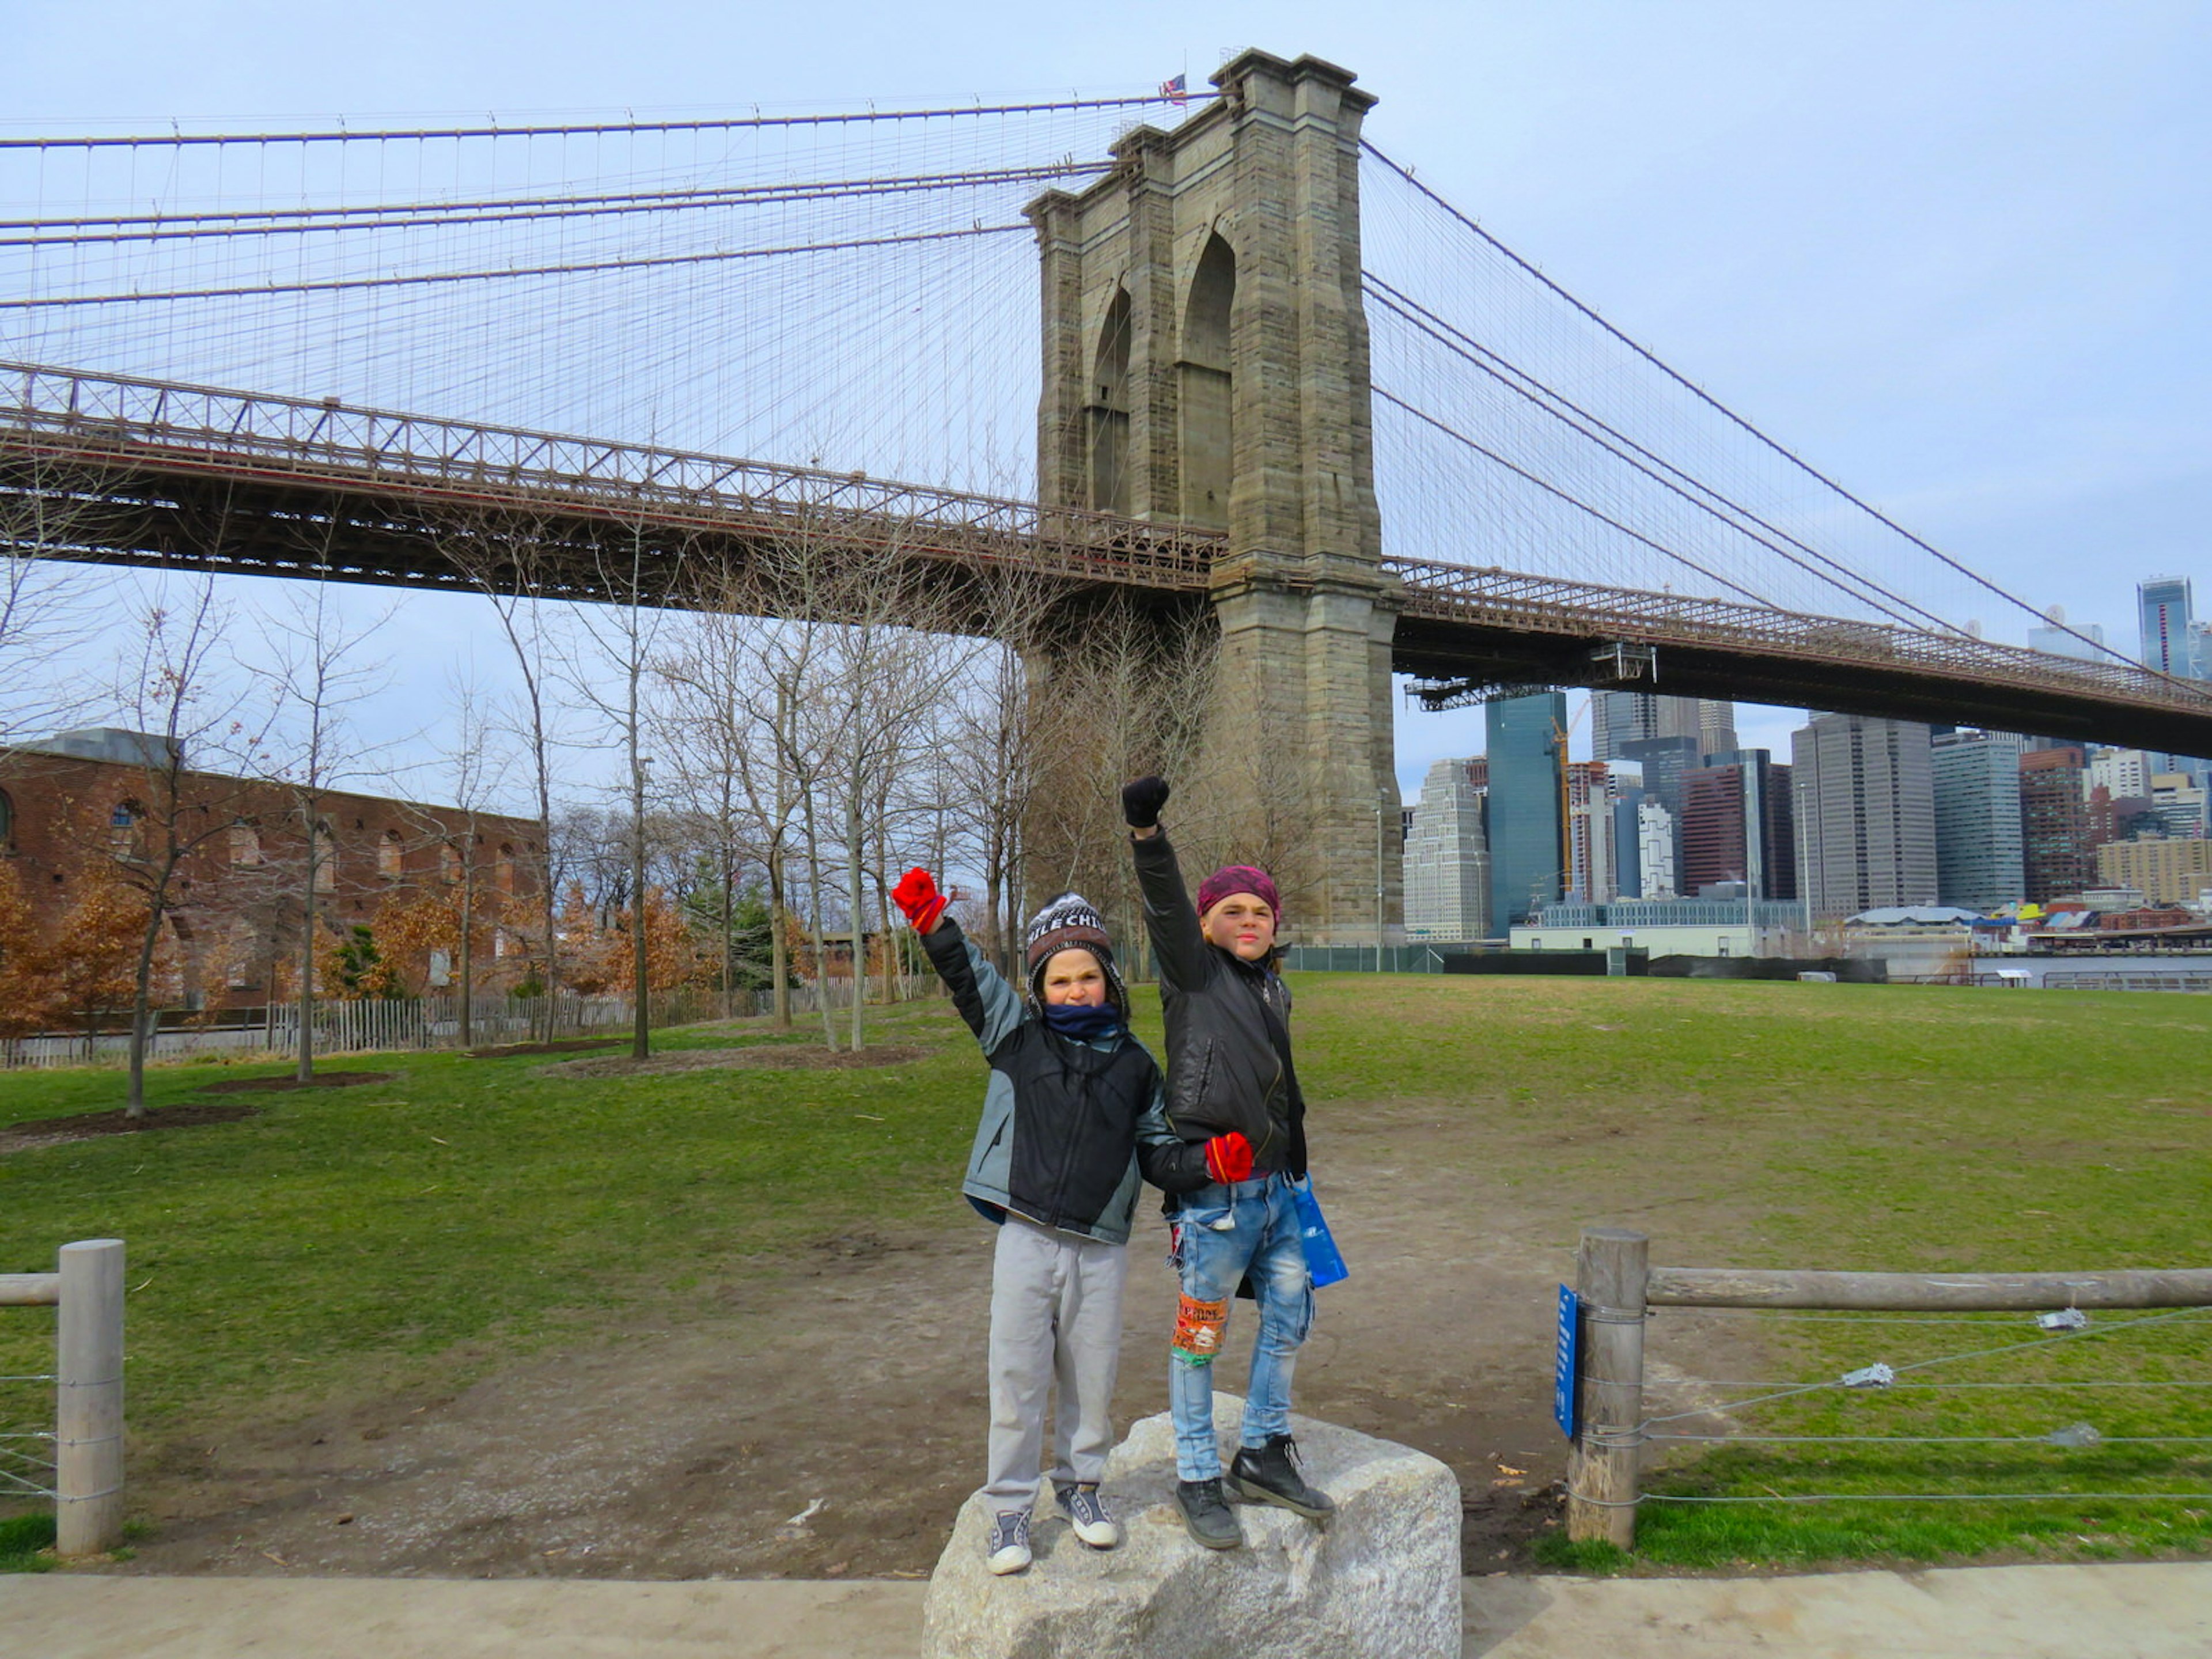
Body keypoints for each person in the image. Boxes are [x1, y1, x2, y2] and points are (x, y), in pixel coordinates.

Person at [892, 869, 1191, 1575]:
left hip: (1099, 1247)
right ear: (1040, 989)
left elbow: (1158, 1150)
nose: (1075, 991)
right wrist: (935, 923)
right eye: (1060, 980)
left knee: (1092, 1375)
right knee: (1018, 1376)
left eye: (1088, 976)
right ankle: (1009, 1511)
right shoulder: (1018, 1038)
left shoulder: (1135, 1065)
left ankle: (1083, 1488)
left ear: (1110, 980)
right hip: (1026, 1236)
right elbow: (972, 981)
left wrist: (1207, 1163)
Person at [1119, 774, 1336, 1551]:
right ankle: (1196, 1475)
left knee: (1289, 1316)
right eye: (1231, 911)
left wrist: (1299, 1170)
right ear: (1206, 926)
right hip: (1216, 1198)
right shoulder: (1196, 976)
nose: (1248, 921)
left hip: (1277, 1193)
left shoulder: (1271, 988)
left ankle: (1263, 1454)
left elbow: (1286, 1091)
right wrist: (1149, 835)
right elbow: (1167, 908)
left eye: (1260, 912)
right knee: (1199, 1336)